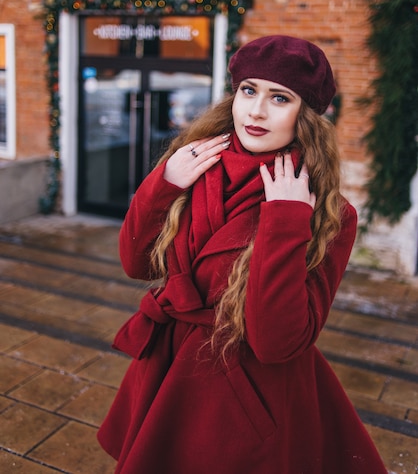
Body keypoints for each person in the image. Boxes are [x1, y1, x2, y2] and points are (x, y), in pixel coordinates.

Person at [98, 35, 388, 474]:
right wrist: (163, 184)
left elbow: (276, 343)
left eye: (280, 97)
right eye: (248, 90)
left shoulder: (329, 212)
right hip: (169, 366)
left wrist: (285, 221)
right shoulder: (195, 166)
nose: (256, 110)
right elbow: (137, 265)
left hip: (245, 393)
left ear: (306, 115)